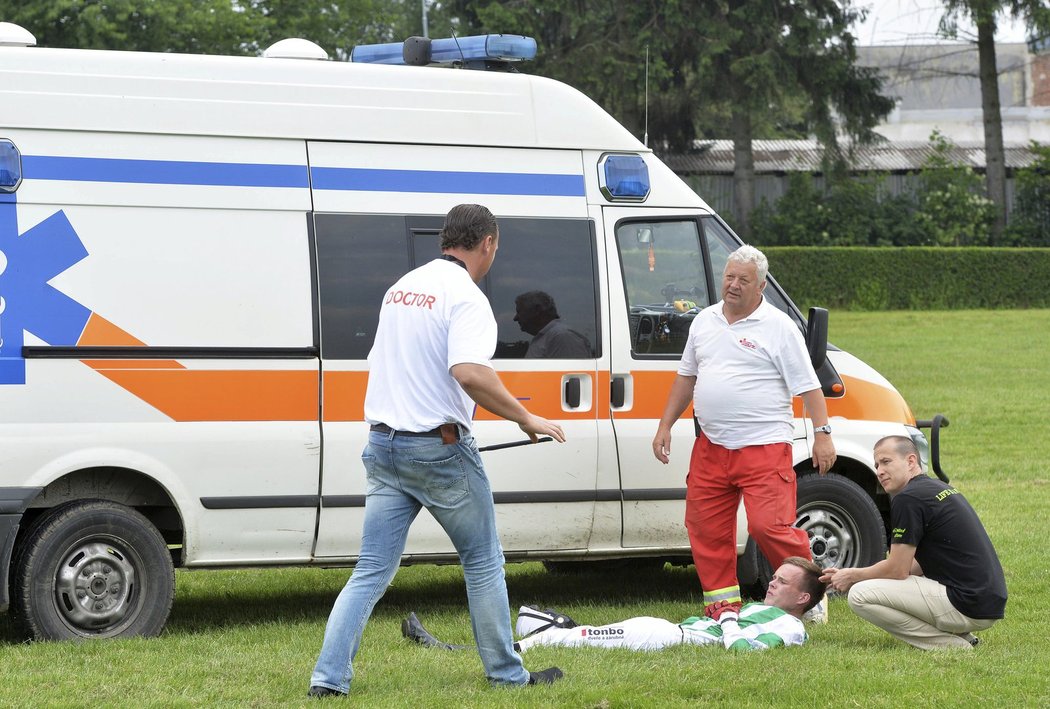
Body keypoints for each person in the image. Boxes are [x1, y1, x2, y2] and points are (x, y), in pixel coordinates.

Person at [308, 204, 568, 698]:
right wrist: (525, 416)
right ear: (487, 243)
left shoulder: (400, 289)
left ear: (446, 239)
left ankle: (328, 680)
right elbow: (468, 372)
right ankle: (507, 675)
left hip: (383, 446)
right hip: (439, 450)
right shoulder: (465, 298)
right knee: (484, 561)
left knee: (371, 571)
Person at [651, 245, 836, 622]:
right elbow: (687, 376)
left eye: (743, 280)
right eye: (729, 277)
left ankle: (810, 594)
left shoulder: (779, 327)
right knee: (705, 527)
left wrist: (823, 434)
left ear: (761, 286)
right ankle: (723, 608)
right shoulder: (704, 321)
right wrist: (665, 424)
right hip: (712, 447)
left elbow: (809, 387)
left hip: (764, 447)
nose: (733, 286)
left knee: (769, 527)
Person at [403, 557, 825, 653]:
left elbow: (744, 651)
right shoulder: (765, 610)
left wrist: (728, 617)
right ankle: (541, 630)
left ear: (802, 598)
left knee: (576, 639)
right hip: (671, 630)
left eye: (782, 581)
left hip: (669, 637)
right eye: (774, 575)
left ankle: (471, 651)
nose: (771, 581)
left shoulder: (792, 627)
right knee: (570, 632)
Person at [821, 436, 1007, 650]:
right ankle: (965, 637)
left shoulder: (908, 498)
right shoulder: (935, 488)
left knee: (859, 595)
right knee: (882, 583)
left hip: (967, 603)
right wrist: (855, 573)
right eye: (877, 465)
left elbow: (898, 570)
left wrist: (852, 576)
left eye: (886, 461)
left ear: (911, 461)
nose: (879, 470)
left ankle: (948, 645)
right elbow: (913, 566)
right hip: (987, 601)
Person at [513, 290, 591, 358]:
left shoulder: (561, 336)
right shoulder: (548, 337)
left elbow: (572, 373)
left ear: (537, 310)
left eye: (519, 311)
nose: (515, 318)